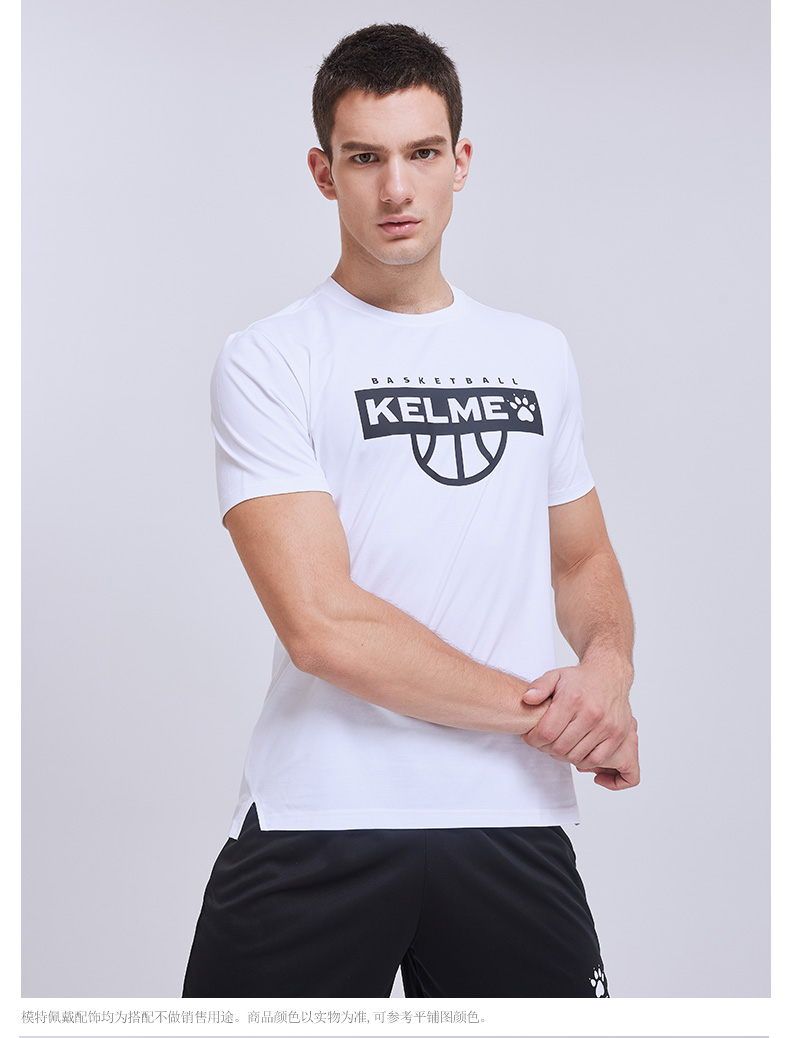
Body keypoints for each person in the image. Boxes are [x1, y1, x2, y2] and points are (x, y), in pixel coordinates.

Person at [183, 22, 638, 999]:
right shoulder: (271, 359)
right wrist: (554, 722)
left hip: (510, 820)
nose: (397, 189)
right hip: (323, 814)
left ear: (460, 162)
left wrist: (606, 672)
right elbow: (322, 625)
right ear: (323, 172)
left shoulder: (536, 353)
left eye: (422, 154)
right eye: (365, 159)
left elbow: (580, 561)